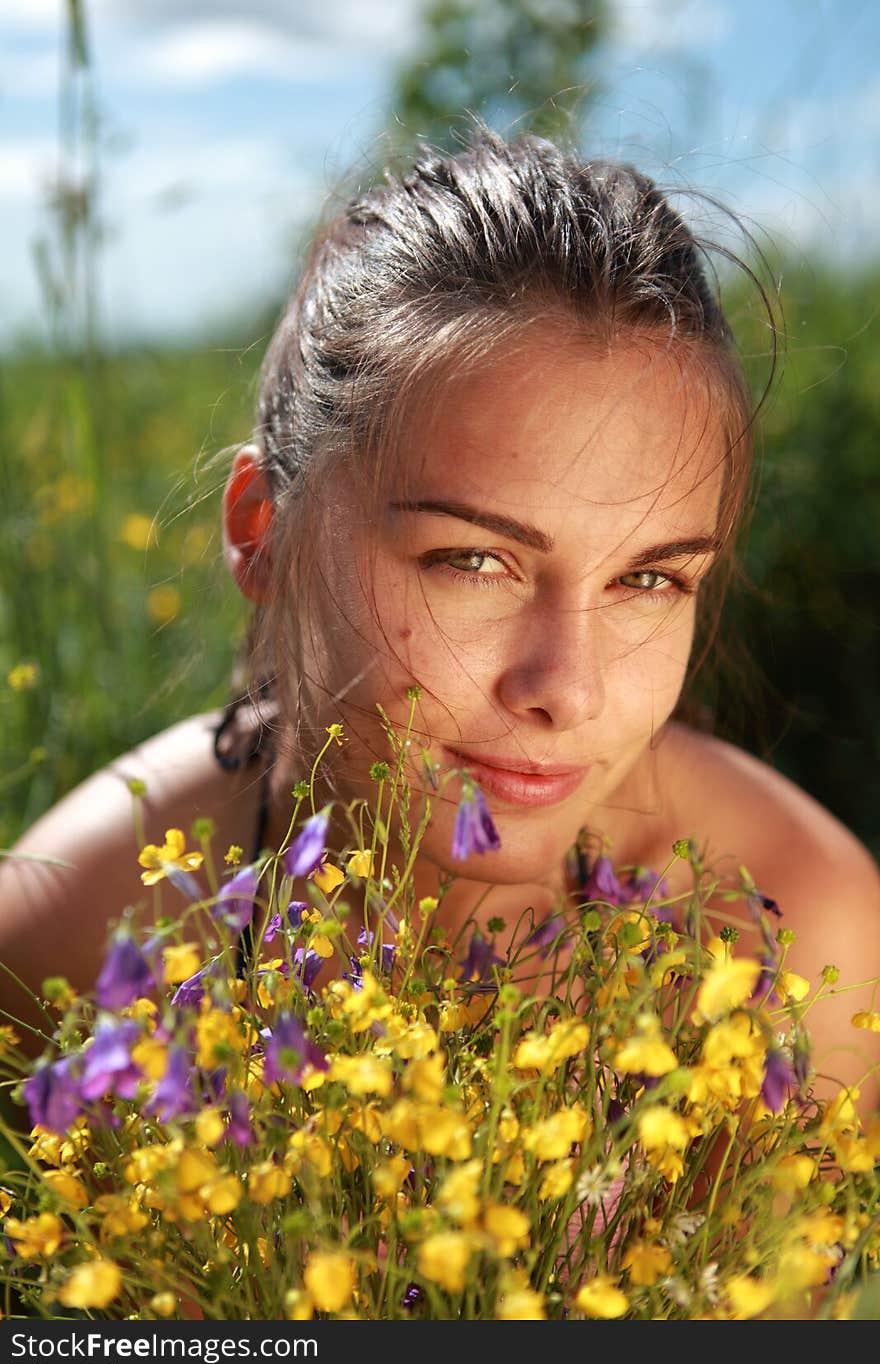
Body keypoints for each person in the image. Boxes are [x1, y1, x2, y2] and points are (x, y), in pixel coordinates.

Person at [2, 126, 878, 1113]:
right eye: (473, 561)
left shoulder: (788, 938)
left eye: (650, 580)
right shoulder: (74, 940)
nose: (568, 687)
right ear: (262, 533)